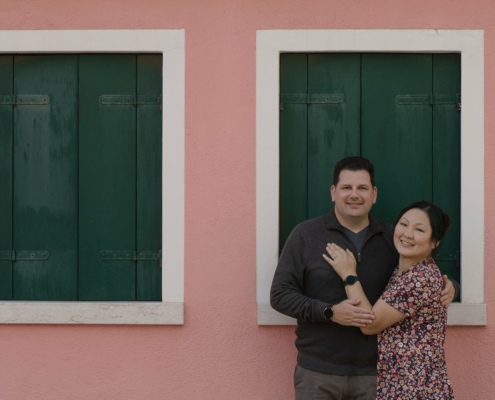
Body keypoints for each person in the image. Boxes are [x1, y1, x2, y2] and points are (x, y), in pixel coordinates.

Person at [270, 157, 458, 400]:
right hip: (318, 372)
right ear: (333, 192)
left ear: (374, 193)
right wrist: (329, 312)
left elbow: (417, 277)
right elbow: (280, 295)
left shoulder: (395, 238)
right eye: (347, 187)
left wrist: (452, 285)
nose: (354, 195)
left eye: (362, 188)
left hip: (377, 376)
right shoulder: (305, 235)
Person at [323, 201, 454, 399]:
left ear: (434, 241)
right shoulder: (407, 270)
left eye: (419, 229)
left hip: (415, 388)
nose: (407, 234)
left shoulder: (418, 279)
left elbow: (369, 324)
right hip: (404, 383)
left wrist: (348, 274)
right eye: (404, 224)